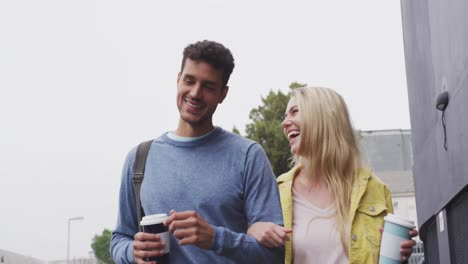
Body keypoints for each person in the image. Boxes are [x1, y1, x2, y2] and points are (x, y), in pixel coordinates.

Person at [110, 40, 284, 264]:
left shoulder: (248, 156)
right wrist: (132, 251)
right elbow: (119, 238)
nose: (195, 93)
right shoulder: (139, 158)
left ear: (223, 94)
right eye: (189, 80)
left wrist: (215, 237)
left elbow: (274, 255)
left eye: (208, 86)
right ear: (178, 79)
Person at [247, 86, 418, 264]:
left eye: (295, 112)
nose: (285, 122)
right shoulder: (277, 192)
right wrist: (252, 231)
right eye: (285, 116)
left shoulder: (375, 190)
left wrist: (400, 256)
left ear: (324, 118)